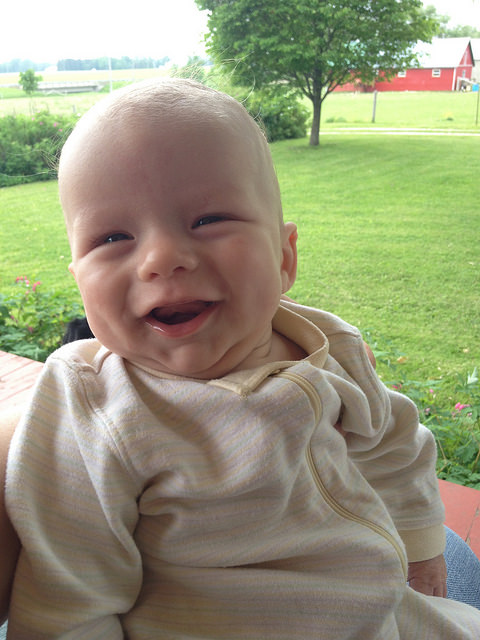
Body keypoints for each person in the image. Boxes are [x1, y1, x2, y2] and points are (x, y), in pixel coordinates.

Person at [5, 78, 480, 638]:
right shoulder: (94, 409)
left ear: (285, 257)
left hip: (384, 610)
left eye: (208, 220)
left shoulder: (327, 345)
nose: (161, 258)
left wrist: (423, 549)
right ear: (78, 281)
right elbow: (69, 600)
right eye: (111, 238)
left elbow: (394, 446)